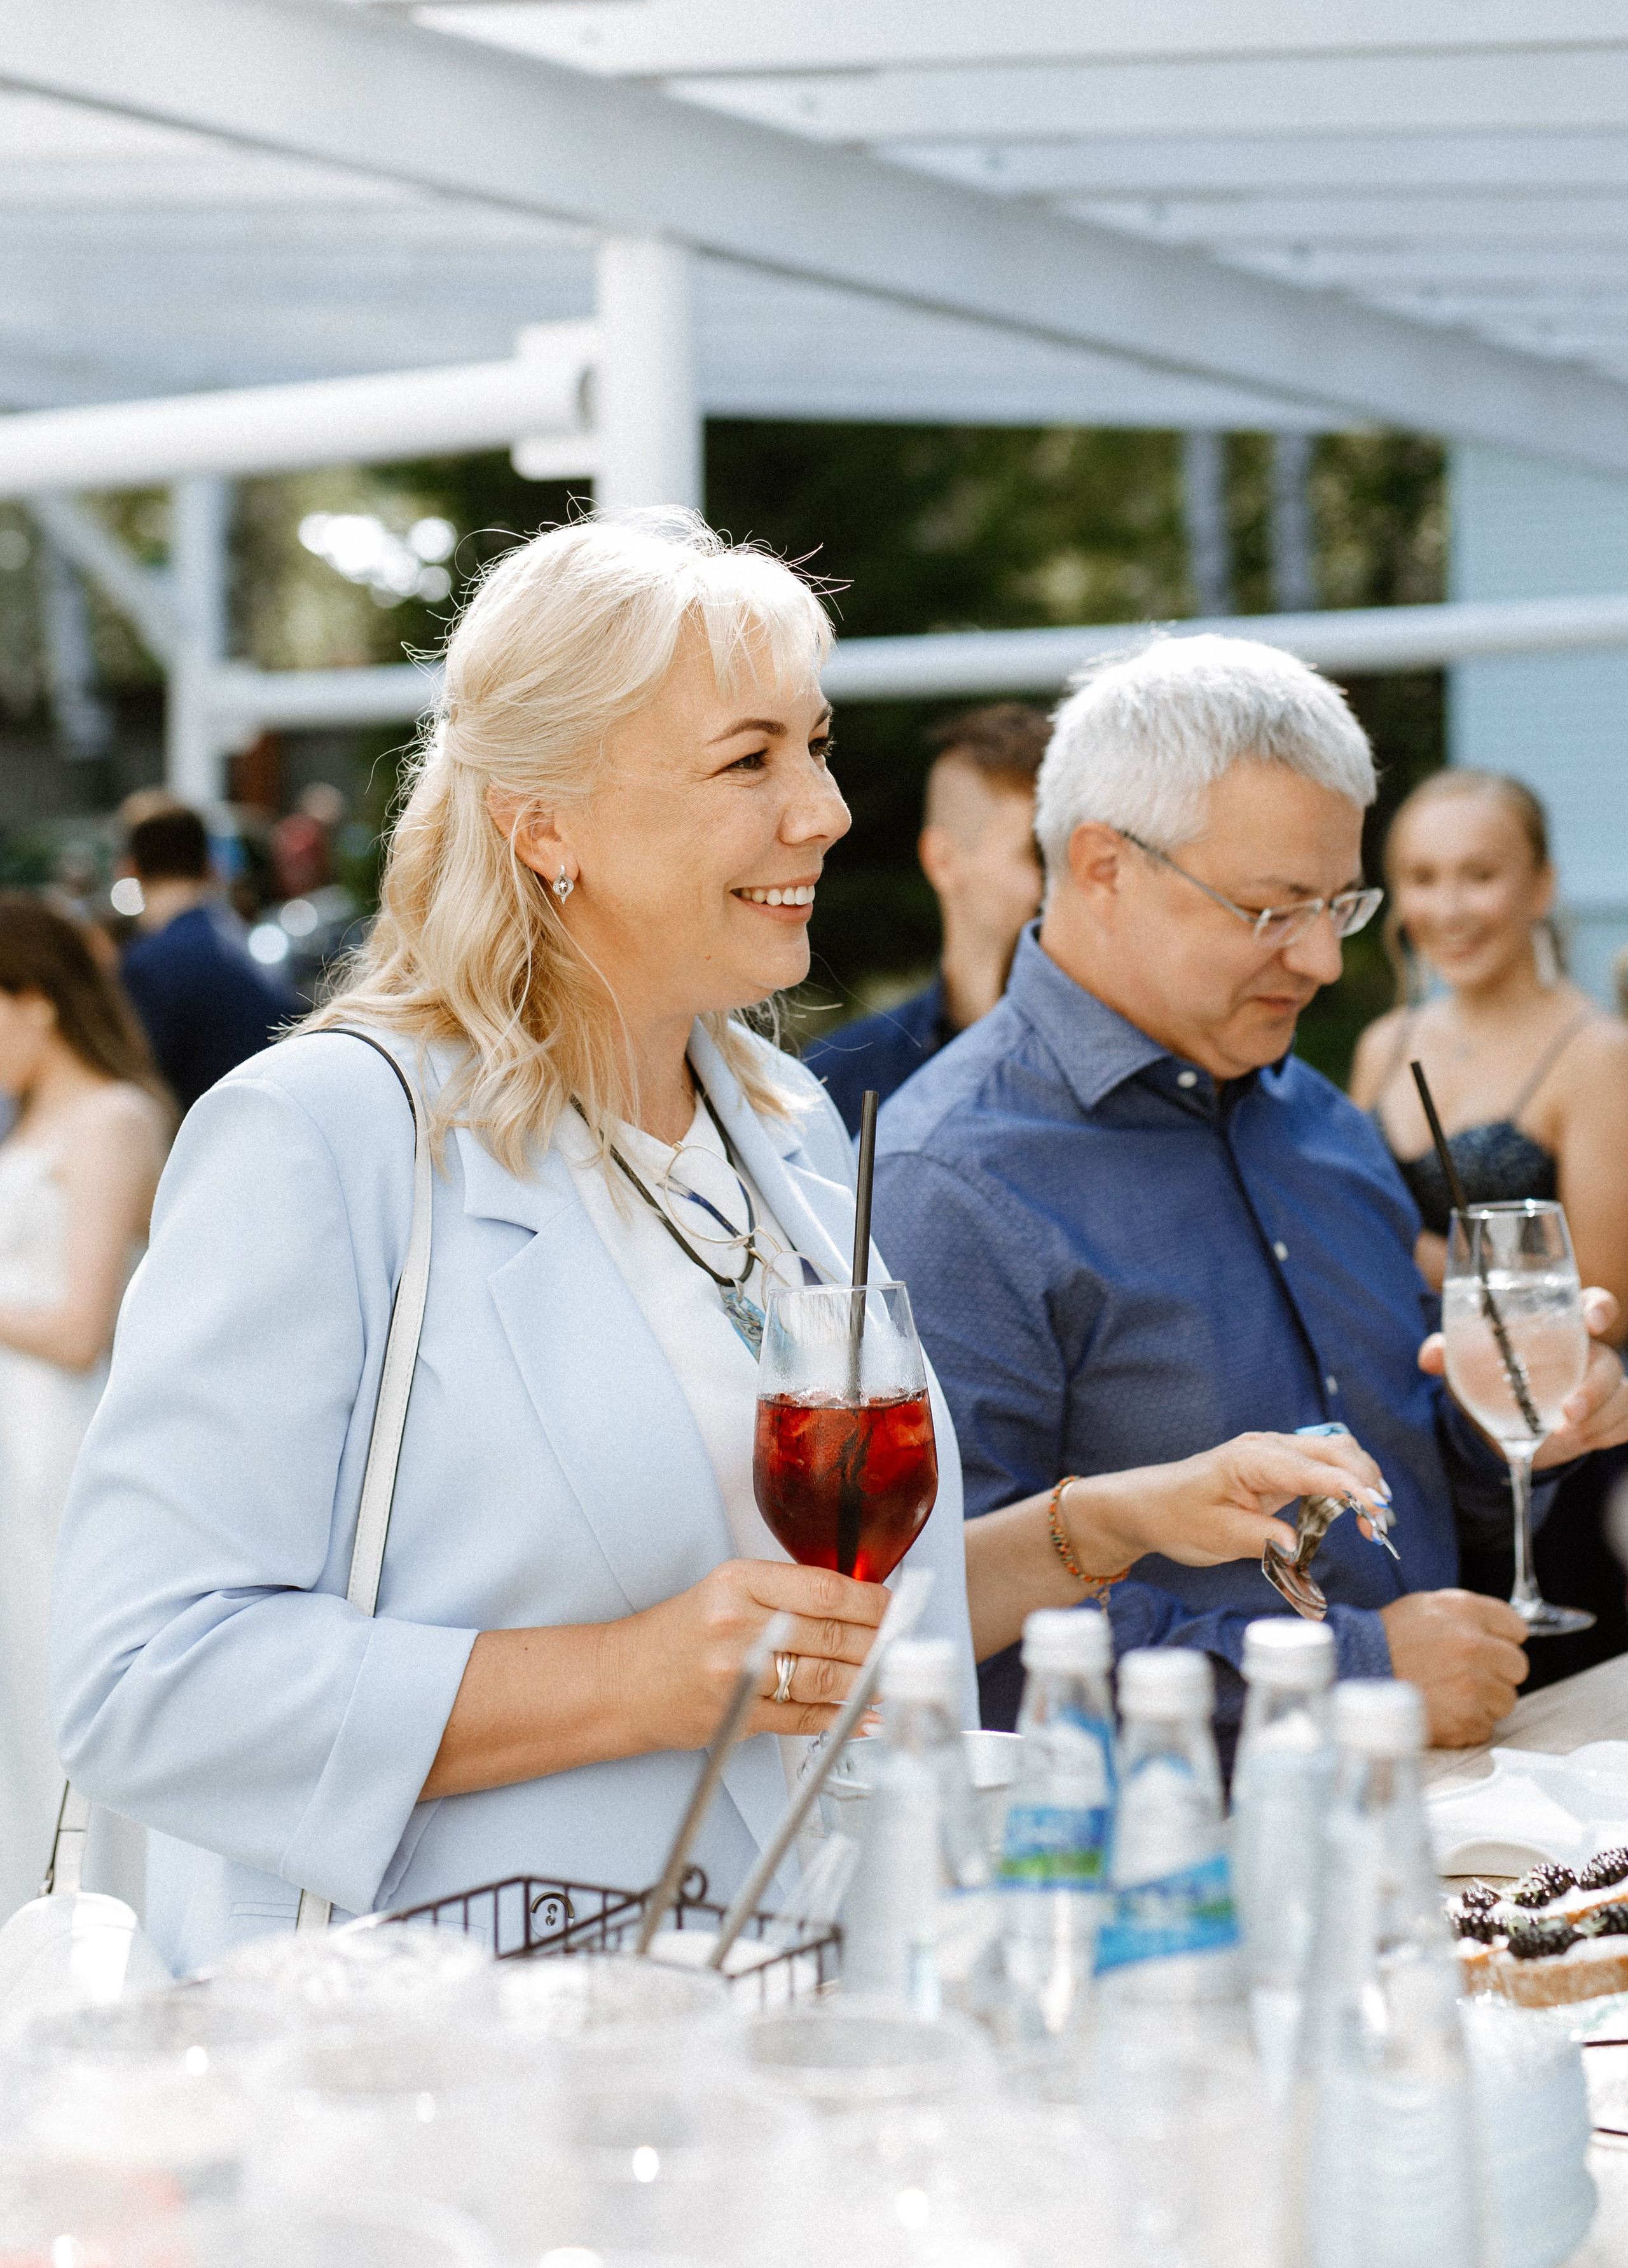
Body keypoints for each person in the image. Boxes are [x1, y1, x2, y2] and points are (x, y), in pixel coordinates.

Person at [50, 519, 1386, 1975]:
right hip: (450, 2079)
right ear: (541, 818)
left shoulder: (781, 1126)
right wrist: (623, 1681)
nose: (820, 809)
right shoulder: (325, 1136)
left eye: (811, 747)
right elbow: (139, 1682)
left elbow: (819, 1621)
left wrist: (1104, 1521)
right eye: (749, 760)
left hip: (783, 2033)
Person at [871, 635, 1628, 1751]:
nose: (1323, 959)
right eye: (1275, 910)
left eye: (1342, 904)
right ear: (1102, 866)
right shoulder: (945, 1180)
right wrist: (1357, 1673)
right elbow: (940, 1621)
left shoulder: (1319, 1119)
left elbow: (1406, 1488)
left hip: (1454, 1824)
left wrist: (1507, 1434)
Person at [1351, 768, 1628, 1684]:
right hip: (1410, 1434)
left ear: (1541, 886)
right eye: (1424, 877)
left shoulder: (1595, 1052)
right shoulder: (1383, 1045)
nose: (1450, 906)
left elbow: (1607, 1299)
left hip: (1548, 1451)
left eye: (1480, 874)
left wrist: (1430, 1257)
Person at [0, 895, 169, 1919]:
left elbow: (78, 1322)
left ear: (35, 1005)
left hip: (60, 1447)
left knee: (55, 1688)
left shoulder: (115, 1117)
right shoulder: (30, 1121)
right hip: (16, 1435)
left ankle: (84, 1919)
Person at [804, 702, 1049, 1131]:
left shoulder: (1143, 1061)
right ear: (944, 861)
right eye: (1040, 854)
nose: (1071, 880)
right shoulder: (837, 1083)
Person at [118, 805, 301, 1110]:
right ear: (209, 868)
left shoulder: (149, 963)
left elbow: (141, 1083)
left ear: (130, 869)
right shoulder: (241, 942)